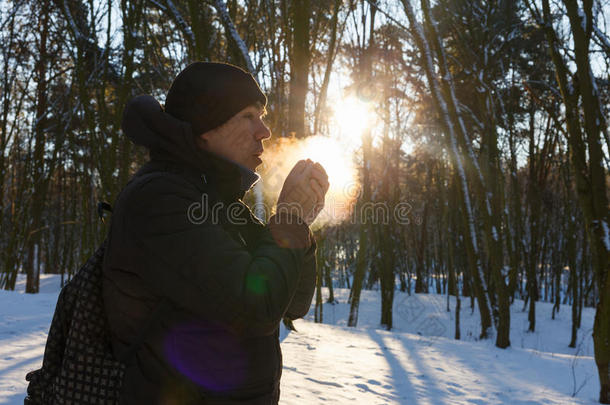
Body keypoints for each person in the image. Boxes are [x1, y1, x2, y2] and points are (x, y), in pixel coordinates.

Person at [102, 62, 329, 404]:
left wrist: (299, 226)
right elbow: (256, 310)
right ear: (205, 127)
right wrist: (289, 218)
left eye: (263, 116)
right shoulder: (159, 200)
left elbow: (292, 303)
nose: (264, 131)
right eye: (249, 116)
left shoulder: (219, 203)